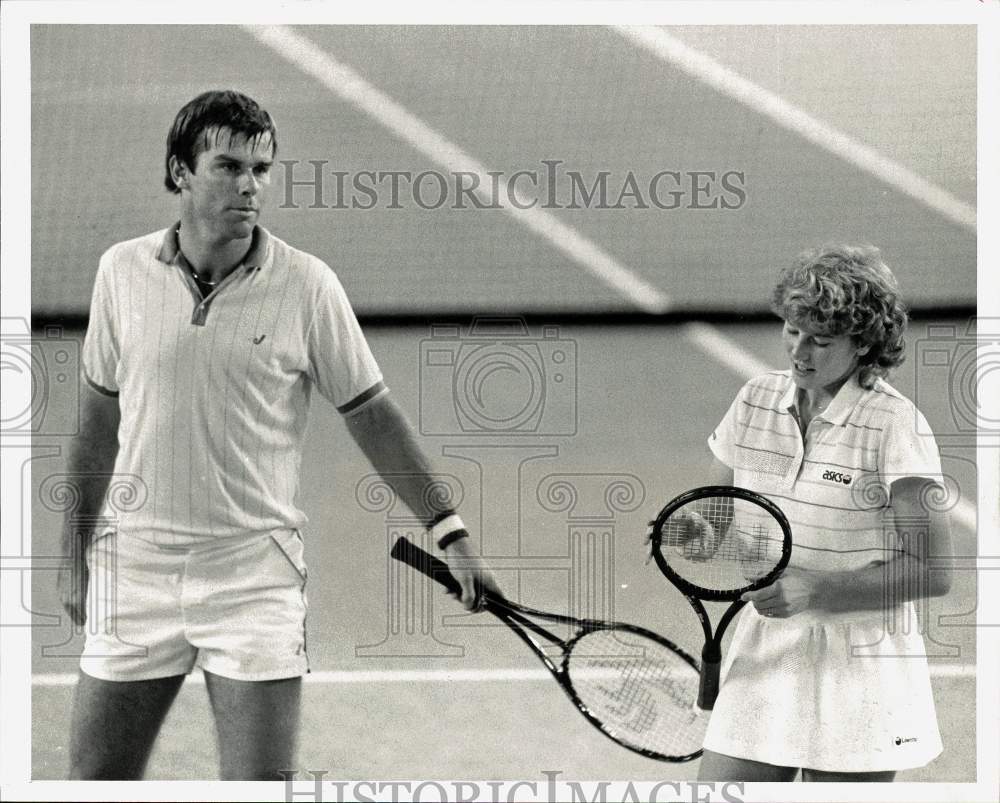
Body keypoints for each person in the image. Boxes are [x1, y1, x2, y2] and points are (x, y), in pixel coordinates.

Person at [56, 89, 500, 781]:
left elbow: (374, 416)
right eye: (229, 166)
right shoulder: (121, 272)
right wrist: (71, 554)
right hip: (135, 568)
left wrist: (453, 533)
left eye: (261, 169)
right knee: (93, 783)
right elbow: (96, 426)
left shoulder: (307, 286)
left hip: (253, 577)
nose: (249, 185)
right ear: (180, 172)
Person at [695, 245, 954, 782]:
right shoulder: (755, 399)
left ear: (863, 345)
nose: (799, 351)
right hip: (767, 645)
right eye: (792, 330)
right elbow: (717, 512)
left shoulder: (894, 427)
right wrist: (698, 530)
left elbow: (932, 572)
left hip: (861, 664)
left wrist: (818, 589)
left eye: (821, 340)